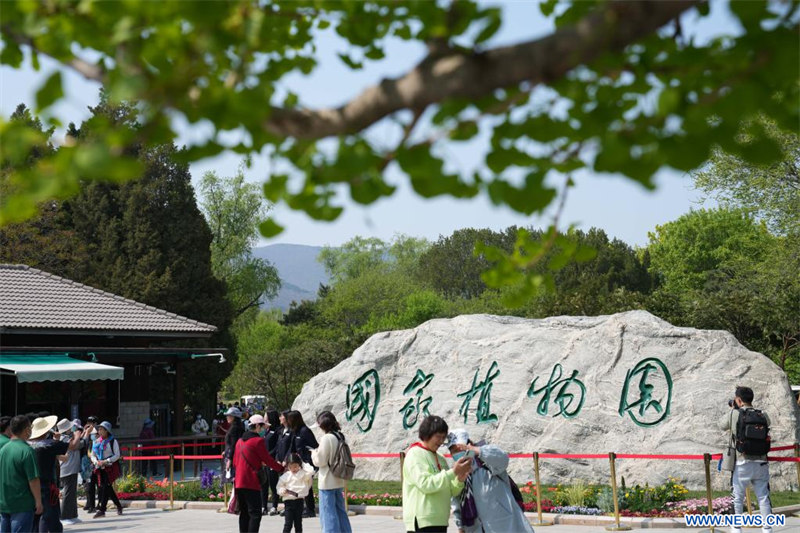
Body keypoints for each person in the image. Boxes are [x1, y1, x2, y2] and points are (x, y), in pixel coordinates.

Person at [447, 428, 533, 533]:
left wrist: (476, 450)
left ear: (469, 445)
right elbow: (456, 502)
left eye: (460, 448)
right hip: (476, 528)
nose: (457, 453)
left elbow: (502, 459)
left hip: (505, 525)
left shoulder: (485, 461)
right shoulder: (457, 472)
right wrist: (460, 527)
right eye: (454, 451)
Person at [403, 415, 470, 533]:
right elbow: (425, 484)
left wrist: (459, 479)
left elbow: (451, 491)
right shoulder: (415, 454)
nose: (441, 441)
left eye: (443, 437)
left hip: (440, 521)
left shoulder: (440, 458)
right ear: (427, 434)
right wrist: (453, 471)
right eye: (438, 436)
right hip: (423, 522)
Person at [720, 386, 772, 533]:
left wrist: (732, 409)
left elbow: (721, 425)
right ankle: (767, 529)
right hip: (761, 463)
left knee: (737, 498)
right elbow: (768, 425)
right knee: (763, 497)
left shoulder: (735, 414)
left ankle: (736, 529)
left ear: (738, 400)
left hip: (742, 462)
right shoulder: (763, 414)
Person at [232, 414, 284, 533]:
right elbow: (267, 459)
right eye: (262, 426)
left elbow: (235, 462)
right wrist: (280, 468)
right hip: (251, 481)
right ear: (256, 426)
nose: (263, 429)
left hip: (239, 482)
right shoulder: (258, 441)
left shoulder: (239, 441)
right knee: (255, 513)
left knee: (244, 513)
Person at [29, 415, 81, 532]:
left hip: (31, 484)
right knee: (49, 516)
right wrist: (77, 436)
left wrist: (56, 440)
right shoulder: (49, 444)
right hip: (47, 485)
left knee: (35, 517)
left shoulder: (29, 445)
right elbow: (72, 446)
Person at [310, 411, 353, 533]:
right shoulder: (340, 436)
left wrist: (314, 453)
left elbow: (320, 461)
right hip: (339, 478)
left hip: (327, 480)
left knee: (328, 514)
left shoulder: (326, 438)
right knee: (340, 512)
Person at [0, 415, 43, 533]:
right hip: (22, 505)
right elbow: (33, 479)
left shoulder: (3, 449)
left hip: (4, 503)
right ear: (26, 430)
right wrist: (38, 502)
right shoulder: (27, 451)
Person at [57, 419, 91, 525]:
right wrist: (84, 435)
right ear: (66, 429)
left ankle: (72, 515)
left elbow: (78, 442)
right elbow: (76, 445)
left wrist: (84, 433)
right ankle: (64, 517)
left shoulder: (67, 437)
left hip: (71, 468)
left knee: (72, 494)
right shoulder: (63, 438)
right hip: (67, 469)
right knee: (68, 493)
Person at [287, 411, 318, 518]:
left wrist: (306, 453)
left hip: (308, 463)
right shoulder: (296, 431)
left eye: (289, 419)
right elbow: (293, 447)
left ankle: (310, 509)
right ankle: (305, 507)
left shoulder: (305, 431)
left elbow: (314, 445)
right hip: (300, 463)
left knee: (307, 485)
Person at [92, 421, 123, 519]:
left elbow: (117, 455)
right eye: (99, 429)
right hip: (100, 466)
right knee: (107, 487)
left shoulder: (113, 441)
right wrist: (96, 462)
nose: (99, 431)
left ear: (107, 431)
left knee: (105, 486)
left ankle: (102, 510)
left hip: (110, 467)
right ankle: (118, 506)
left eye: (101, 429)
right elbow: (93, 454)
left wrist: (106, 461)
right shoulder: (97, 441)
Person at [277, 454, 313, 533]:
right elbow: (279, 487)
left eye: (295, 466)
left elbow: (311, 471)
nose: (293, 469)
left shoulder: (303, 474)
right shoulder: (286, 476)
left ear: (299, 465)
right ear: (288, 466)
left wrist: (302, 462)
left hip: (299, 501)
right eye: (290, 467)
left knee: (298, 524)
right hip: (288, 502)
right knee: (288, 524)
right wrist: (282, 491)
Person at [261, 409, 282, 516]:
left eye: (265, 417)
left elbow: (277, 447)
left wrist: (268, 457)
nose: (264, 419)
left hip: (271, 461)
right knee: (263, 485)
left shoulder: (277, 431)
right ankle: (264, 506)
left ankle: (274, 506)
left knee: (273, 485)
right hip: (264, 462)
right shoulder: (267, 431)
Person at [224, 407, 245, 483]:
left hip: (233, 457)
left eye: (229, 415)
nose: (227, 417)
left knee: (233, 478)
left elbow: (233, 444)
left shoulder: (234, 428)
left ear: (234, 417)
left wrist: (229, 459)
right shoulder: (239, 426)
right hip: (236, 455)